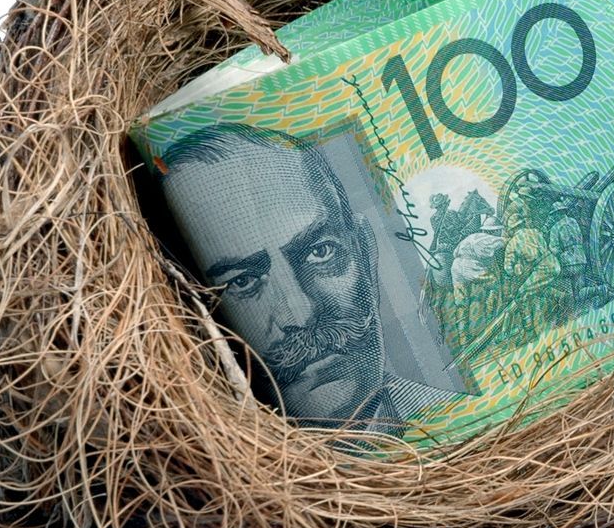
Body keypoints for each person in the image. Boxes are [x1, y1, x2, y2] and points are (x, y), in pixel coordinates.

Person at [158, 124, 429, 429]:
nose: (303, 313)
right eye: (242, 281)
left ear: (365, 250)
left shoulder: (464, 417)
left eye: (320, 252)